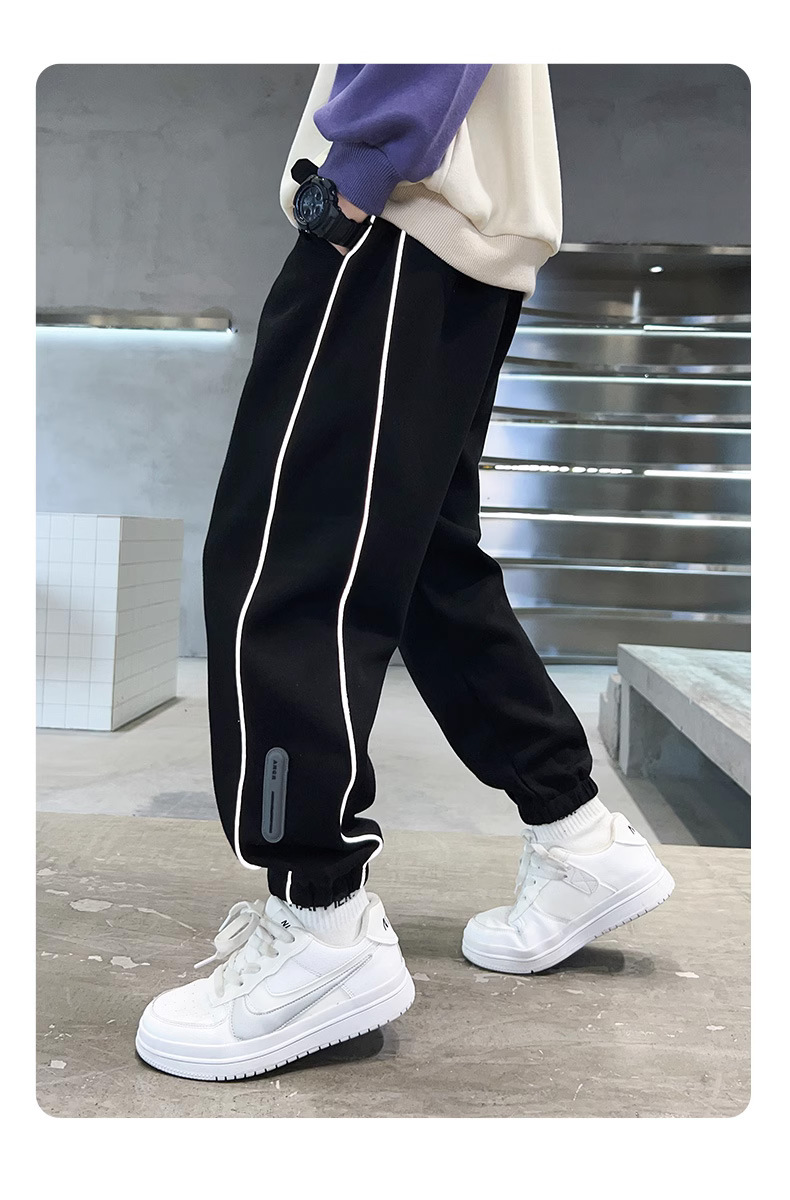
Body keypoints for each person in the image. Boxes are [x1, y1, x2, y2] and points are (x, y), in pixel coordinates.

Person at [135, 64, 674, 1081]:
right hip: (459, 236)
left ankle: (321, 921)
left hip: (399, 216)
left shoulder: (386, 189)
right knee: (423, 562)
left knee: (288, 555)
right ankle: (575, 836)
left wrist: (362, 166)